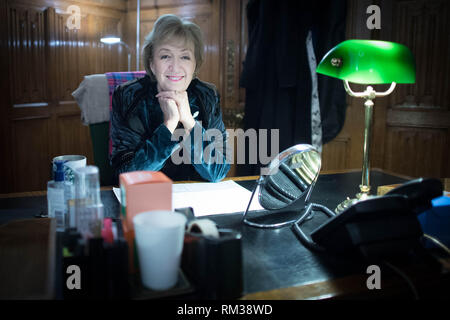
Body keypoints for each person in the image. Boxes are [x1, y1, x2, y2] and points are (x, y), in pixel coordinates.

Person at [110, 14, 230, 182]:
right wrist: (169, 125)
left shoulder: (208, 96)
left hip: (196, 199)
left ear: (195, 64)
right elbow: (125, 175)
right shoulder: (128, 97)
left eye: (185, 57)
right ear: (152, 63)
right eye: (165, 56)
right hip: (145, 197)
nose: (175, 67)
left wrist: (189, 122)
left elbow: (218, 172)